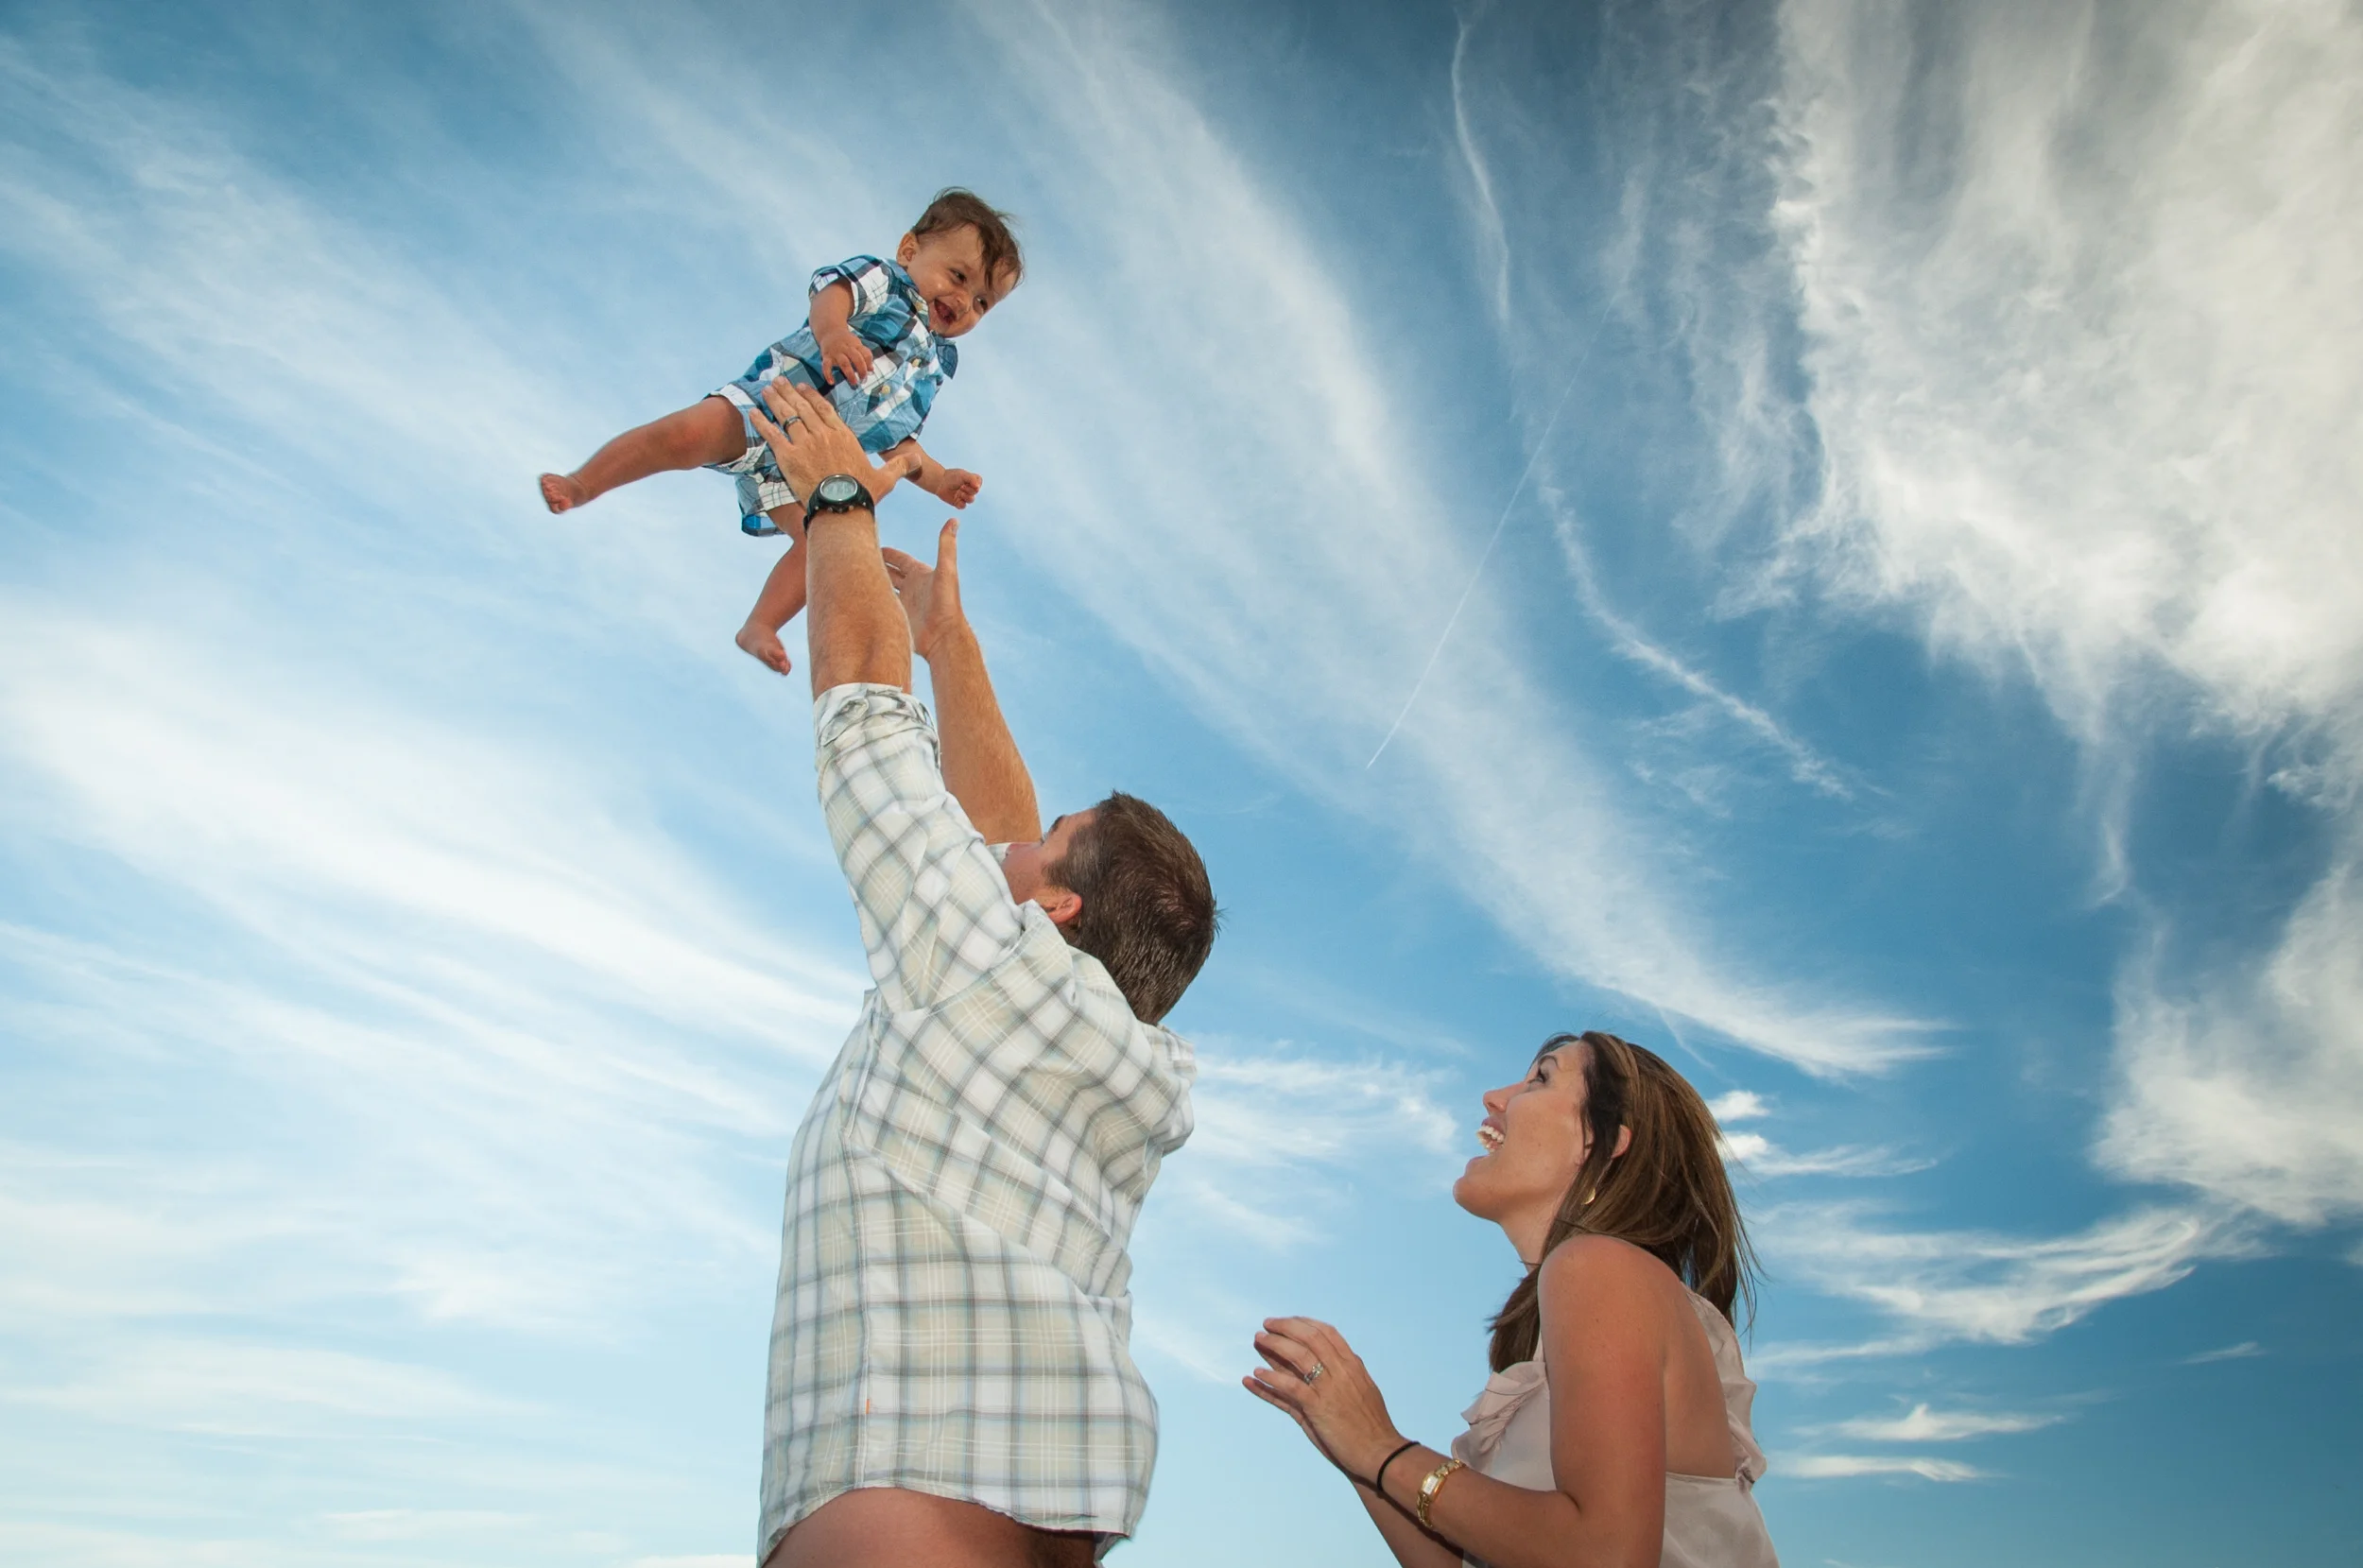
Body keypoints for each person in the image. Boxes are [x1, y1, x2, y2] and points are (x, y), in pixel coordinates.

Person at [745, 378, 1220, 1568]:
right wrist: (951, 646)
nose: (1010, 837)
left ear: (1058, 907)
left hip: (899, 1520)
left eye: (1050, 838)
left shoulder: (986, 975)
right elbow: (1002, 860)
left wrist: (839, 502)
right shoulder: (1108, 1057)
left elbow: (865, 714)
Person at [1244, 1030, 1779, 1568]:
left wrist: (1381, 1448)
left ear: (1600, 1141)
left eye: (1540, 1079)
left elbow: (1605, 1554)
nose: (1494, 1097)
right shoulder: (1584, 1302)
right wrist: (1355, 1451)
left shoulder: (1600, 1266)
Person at [537, 188, 1021, 675]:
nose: (964, 301)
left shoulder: (933, 367)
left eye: (983, 301)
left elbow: (899, 440)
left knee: (822, 538)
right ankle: (584, 483)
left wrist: (939, 479)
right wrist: (834, 333)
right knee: (683, 436)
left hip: (805, 470)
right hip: (768, 409)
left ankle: (761, 624)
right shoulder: (888, 282)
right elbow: (831, 294)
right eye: (958, 277)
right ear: (910, 250)